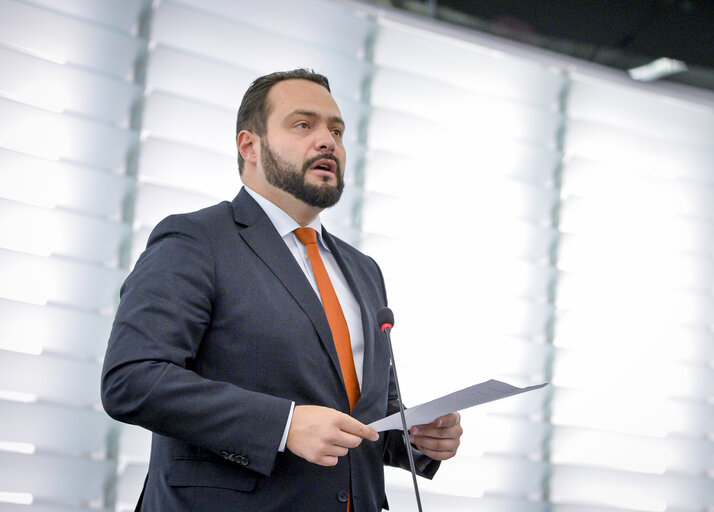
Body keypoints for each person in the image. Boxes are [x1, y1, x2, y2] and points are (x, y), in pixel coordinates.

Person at [101, 69, 462, 512]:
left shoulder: (363, 270)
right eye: (303, 125)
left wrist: (415, 437)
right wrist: (284, 425)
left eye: (336, 130)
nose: (328, 140)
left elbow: (364, 415)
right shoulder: (196, 240)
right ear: (249, 146)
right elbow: (133, 380)